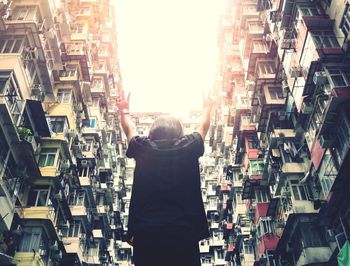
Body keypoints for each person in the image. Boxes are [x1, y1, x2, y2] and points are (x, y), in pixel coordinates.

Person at [117, 91, 217, 266]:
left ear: (152, 133)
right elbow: (203, 126)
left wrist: (124, 110)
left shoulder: (142, 147)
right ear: (179, 133)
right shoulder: (189, 146)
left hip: (146, 235)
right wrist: (208, 107)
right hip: (183, 233)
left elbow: (129, 129)